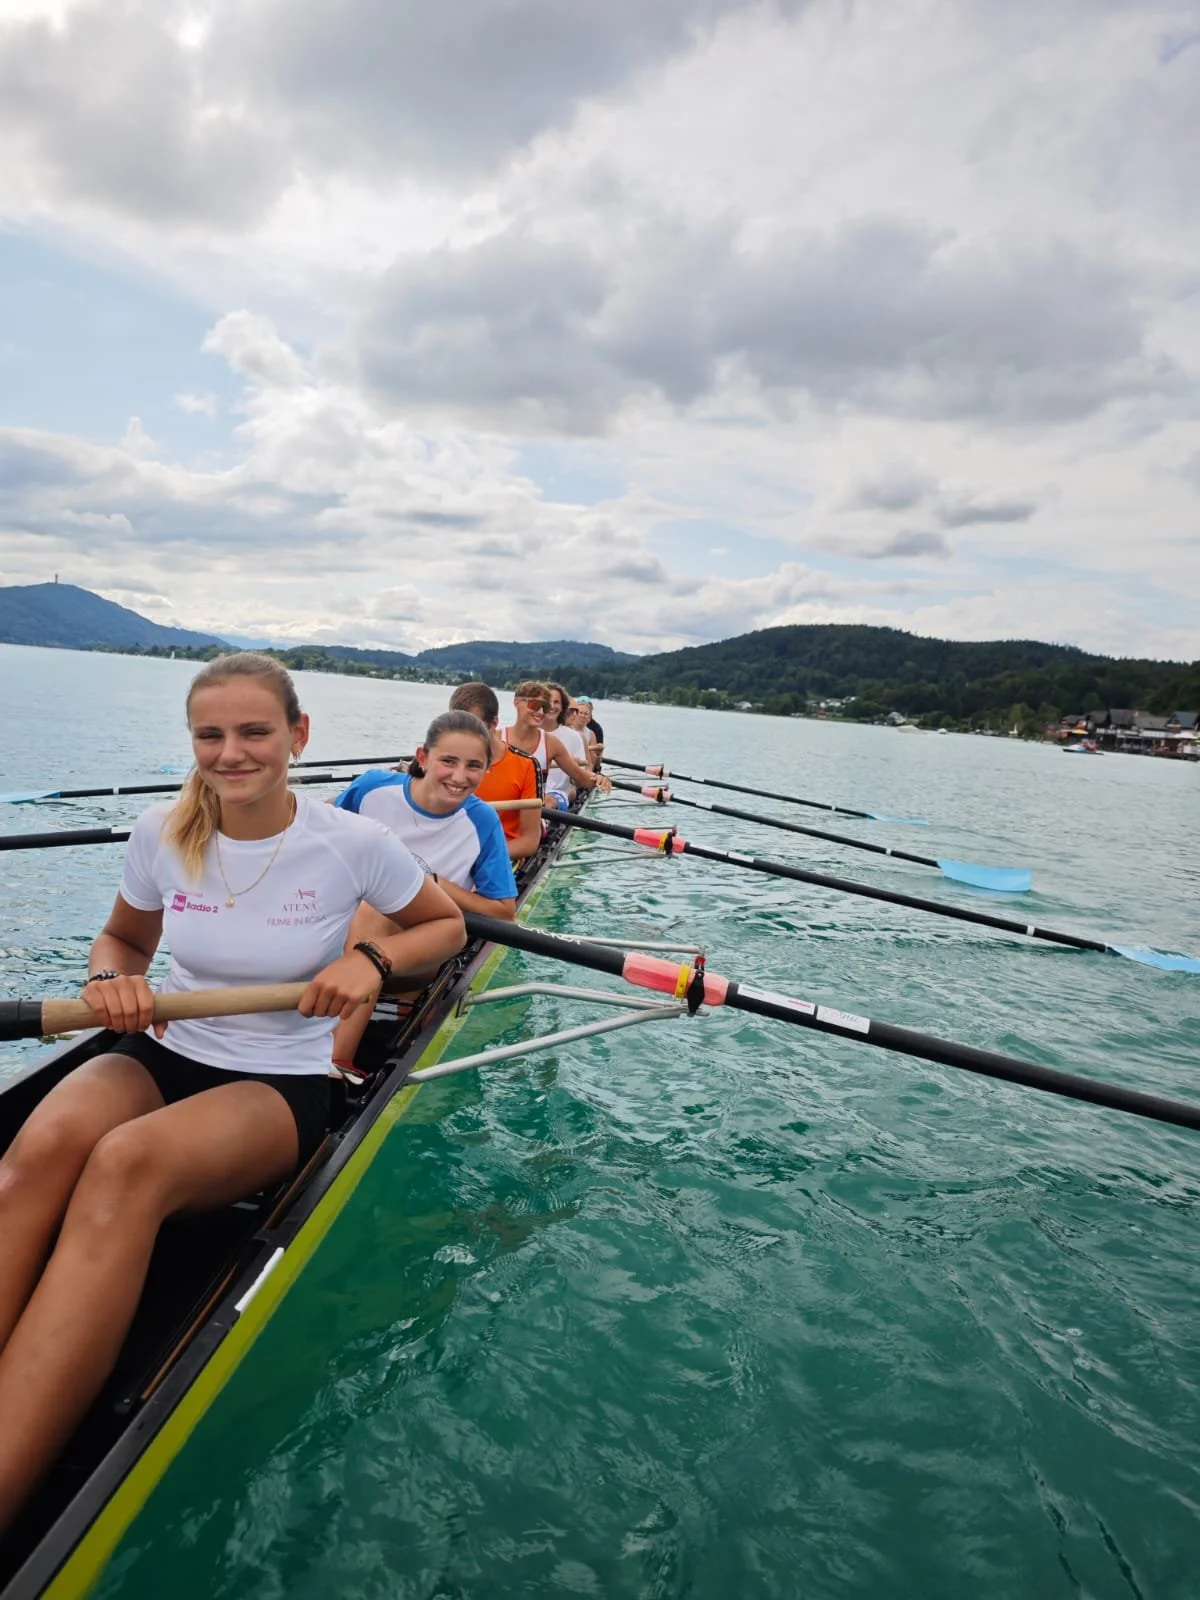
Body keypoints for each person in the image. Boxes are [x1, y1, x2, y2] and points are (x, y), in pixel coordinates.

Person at [0, 653, 465, 1531]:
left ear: (298, 736)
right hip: (169, 1049)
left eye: (254, 732)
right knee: (38, 1150)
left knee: (124, 1166)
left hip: (279, 1076)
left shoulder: (352, 843)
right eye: (210, 735)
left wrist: (368, 961)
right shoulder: (161, 833)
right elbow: (120, 939)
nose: (231, 753)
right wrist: (110, 981)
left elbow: (442, 926)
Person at [329, 710, 518, 1069]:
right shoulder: (371, 788)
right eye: (448, 761)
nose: (460, 777)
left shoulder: (481, 821)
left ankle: (337, 1063)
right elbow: (319, 845)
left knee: (377, 909)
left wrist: (435, 885)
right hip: (337, 931)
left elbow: (504, 913)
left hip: (415, 957)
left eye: (474, 766)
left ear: (487, 770)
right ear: (422, 757)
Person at [449, 681, 542, 862]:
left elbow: (529, 841)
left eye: (473, 726)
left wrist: (473, 855)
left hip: (499, 854)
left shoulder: (526, 765)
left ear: (494, 723)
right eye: (456, 726)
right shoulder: (444, 761)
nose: (462, 735)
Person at [503, 681, 612, 808]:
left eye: (554, 703)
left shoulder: (558, 741)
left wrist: (597, 778)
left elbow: (581, 775)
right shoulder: (499, 736)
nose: (544, 709)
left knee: (549, 800)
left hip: (551, 796)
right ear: (517, 703)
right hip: (518, 796)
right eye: (536, 704)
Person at [544, 682, 590, 808]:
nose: (552, 706)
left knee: (548, 802)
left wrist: (572, 768)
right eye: (547, 700)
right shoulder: (529, 732)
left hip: (556, 793)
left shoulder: (574, 737)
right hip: (529, 793)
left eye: (556, 702)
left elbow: (580, 778)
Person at [576, 695, 605, 769]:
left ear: (590, 716)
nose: (583, 716)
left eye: (586, 714)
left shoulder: (592, 733)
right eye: (580, 713)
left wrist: (599, 754)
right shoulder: (566, 727)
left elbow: (593, 763)